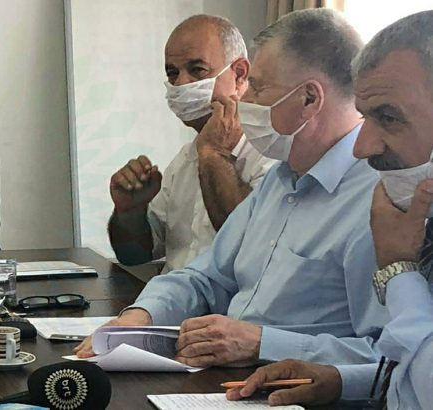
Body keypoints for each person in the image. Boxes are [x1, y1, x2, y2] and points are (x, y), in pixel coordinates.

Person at [77, 9, 386, 369]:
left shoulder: (380, 199)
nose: (246, 99)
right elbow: (204, 276)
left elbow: (390, 357)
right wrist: (140, 317)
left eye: (258, 87)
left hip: (295, 388)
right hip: (222, 375)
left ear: (309, 99)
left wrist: (261, 344)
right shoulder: (281, 179)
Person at [227, 11, 433, 409]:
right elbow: (408, 372)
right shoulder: (408, 210)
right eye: (365, 116)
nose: (363, 147)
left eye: (388, 118)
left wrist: (399, 271)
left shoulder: (385, 209)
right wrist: (340, 381)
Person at [108, 15, 275, 274]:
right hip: (169, 297)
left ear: (240, 74)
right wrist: (129, 212)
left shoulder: (273, 152)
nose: (181, 84)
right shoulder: (184, 160)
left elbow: (252, 244)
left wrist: (214, 155)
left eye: (197, 69)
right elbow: (134, 255)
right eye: (172, 73)